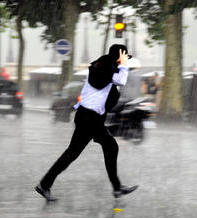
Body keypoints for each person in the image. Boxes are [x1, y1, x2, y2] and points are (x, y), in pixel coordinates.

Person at [35, 44, 138, 201]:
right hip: (90, 118)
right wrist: (123, 64)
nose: (125, 61)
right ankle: (116, 188)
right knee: (105, 148)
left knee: (76, 153)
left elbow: (104, 91)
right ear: (118, 56)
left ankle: (45, 184)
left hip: (88, 117)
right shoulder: (105, 67)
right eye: (123, 57)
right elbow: (121, 81)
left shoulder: (102, 66)